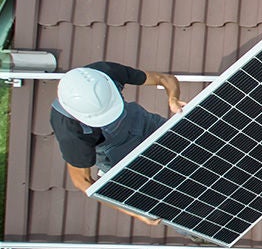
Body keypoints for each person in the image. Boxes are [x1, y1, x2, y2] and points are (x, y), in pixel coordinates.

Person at [51, 62, 185, 226]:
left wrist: (173, 99)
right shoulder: (70, 132)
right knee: (175, 204)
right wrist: (135, 212)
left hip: (149, 127)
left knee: (200, 154)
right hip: (122, 159)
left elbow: (165, 79)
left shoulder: (102, 75)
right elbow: (83, 182)